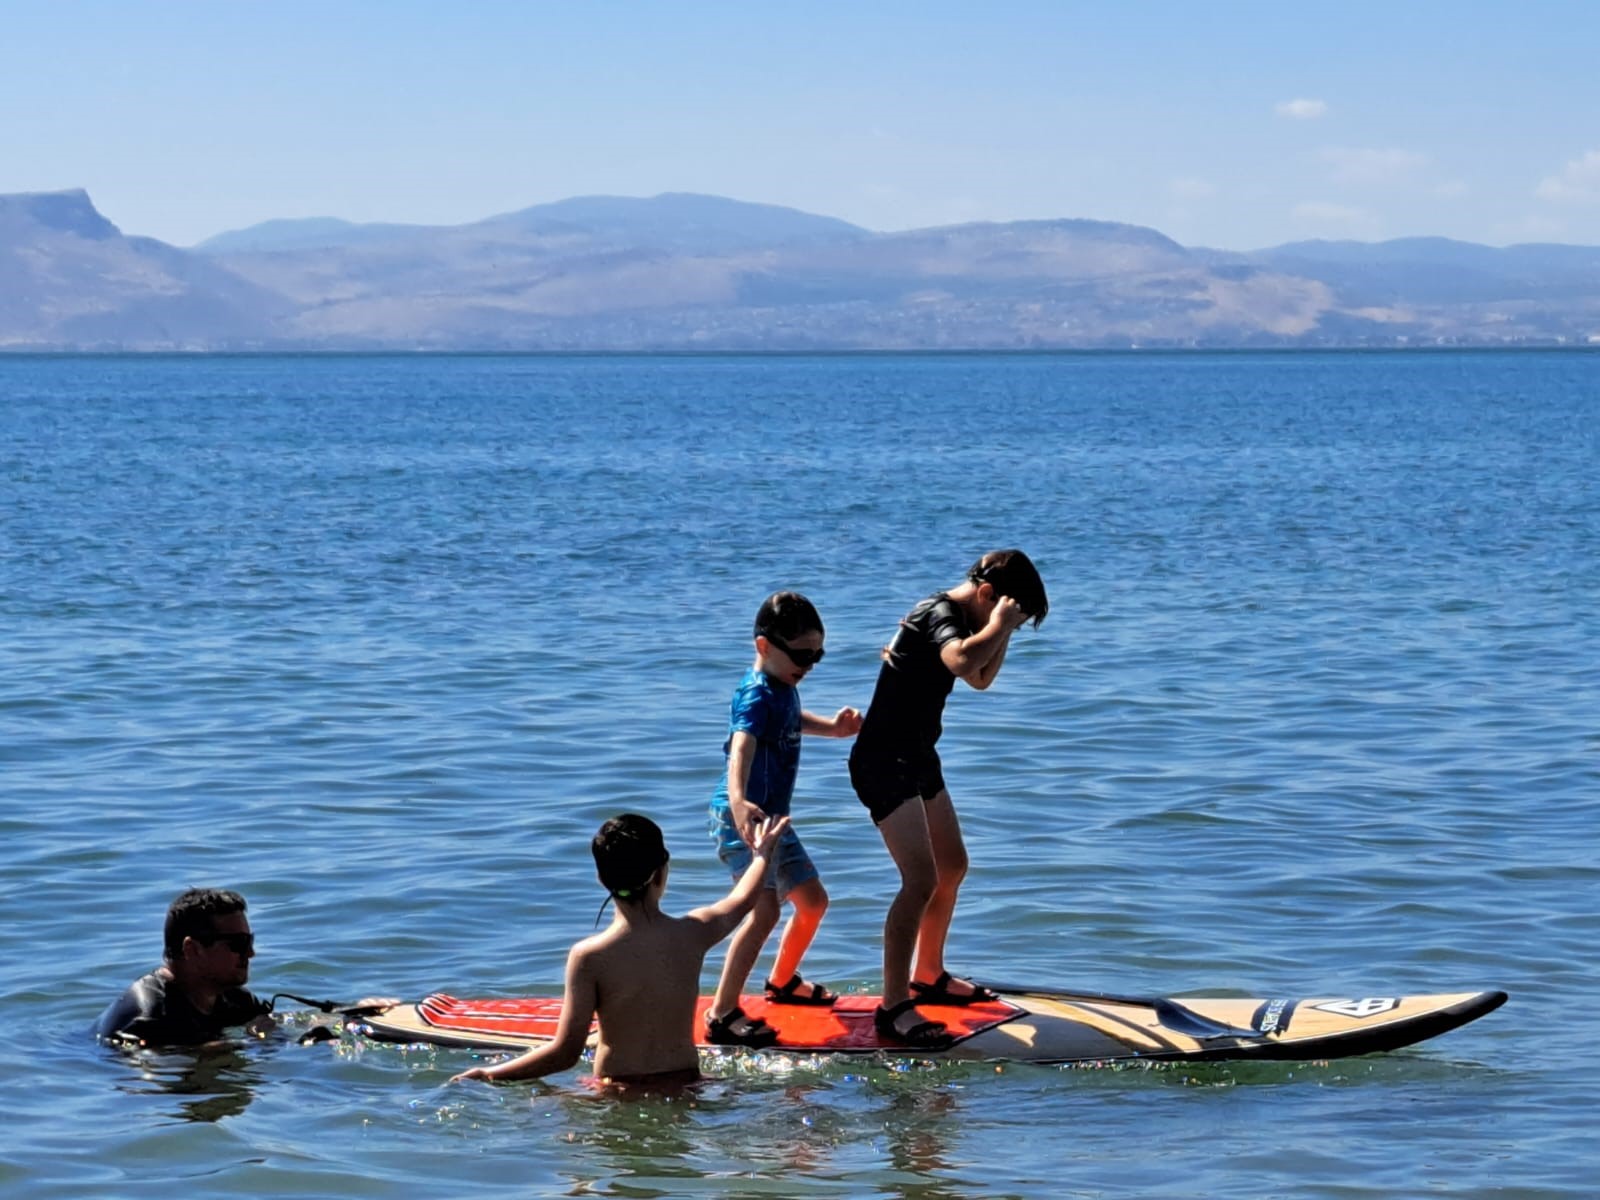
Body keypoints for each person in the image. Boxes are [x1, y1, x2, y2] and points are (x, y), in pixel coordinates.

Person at [848, 550, 1048, 1049]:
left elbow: (978, 679)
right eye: (1006, 614)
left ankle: (929, 973)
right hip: (881, 760)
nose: (1009, 627)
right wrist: (998, 624)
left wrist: (1002, 630)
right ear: (986, 595)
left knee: (953, 865)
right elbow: (961, 659)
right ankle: (893, 1006)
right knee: (919, 880)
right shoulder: (938, 614)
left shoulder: (975, 620)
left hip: (917, 756)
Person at [451, 811, 792, 1087]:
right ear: (662, 873)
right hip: (687, 1086)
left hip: (617, 1091)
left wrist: (490, 1074)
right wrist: (762, 854)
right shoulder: (692, 934)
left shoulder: (590, 957)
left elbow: (565, 1053)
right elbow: (742, 900)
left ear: (602, 879)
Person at [702, 591, 862, 1048]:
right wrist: (738, 801)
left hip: (772, 822)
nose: (809, 664)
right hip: (743, 820)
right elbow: (742, 744)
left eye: (818, 655)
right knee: (765, 910)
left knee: (812, 902)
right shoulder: (755, 693)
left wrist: (832, 729)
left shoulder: (784, 687)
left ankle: (783, 982)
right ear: (763, 646)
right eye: (801, 654)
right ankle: (723, 1012)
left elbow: (790, 719)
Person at [95, 887, 275, 1046]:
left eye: (249, 941)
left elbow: (271, 1036)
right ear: (193, 949)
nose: (251, 953)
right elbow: (134, 1072)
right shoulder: (148, 1018)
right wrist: (203, 1052)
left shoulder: (236, 1000)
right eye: (238, 944)